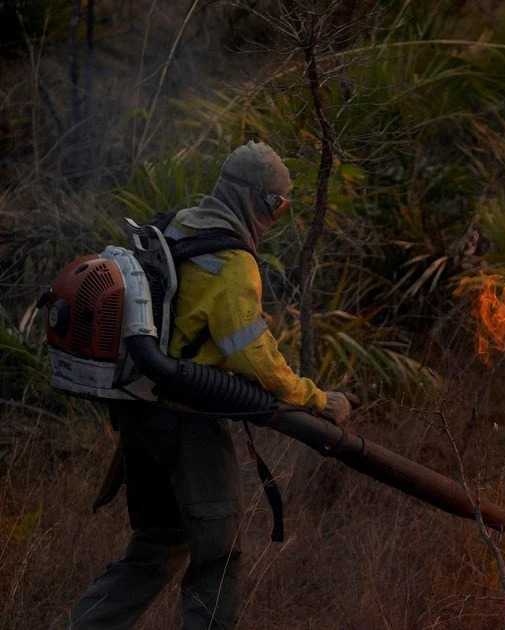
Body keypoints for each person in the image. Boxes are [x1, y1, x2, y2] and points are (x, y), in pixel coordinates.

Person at [68, 141, 354, 630]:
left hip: (140, 414)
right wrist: (317, 398)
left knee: (156, 545)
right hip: (187, 422)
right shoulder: (231, 261)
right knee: (218, 554)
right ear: (259, 203)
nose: (275, 218)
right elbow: (254, 356)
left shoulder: (177, 225)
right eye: (278, 207)